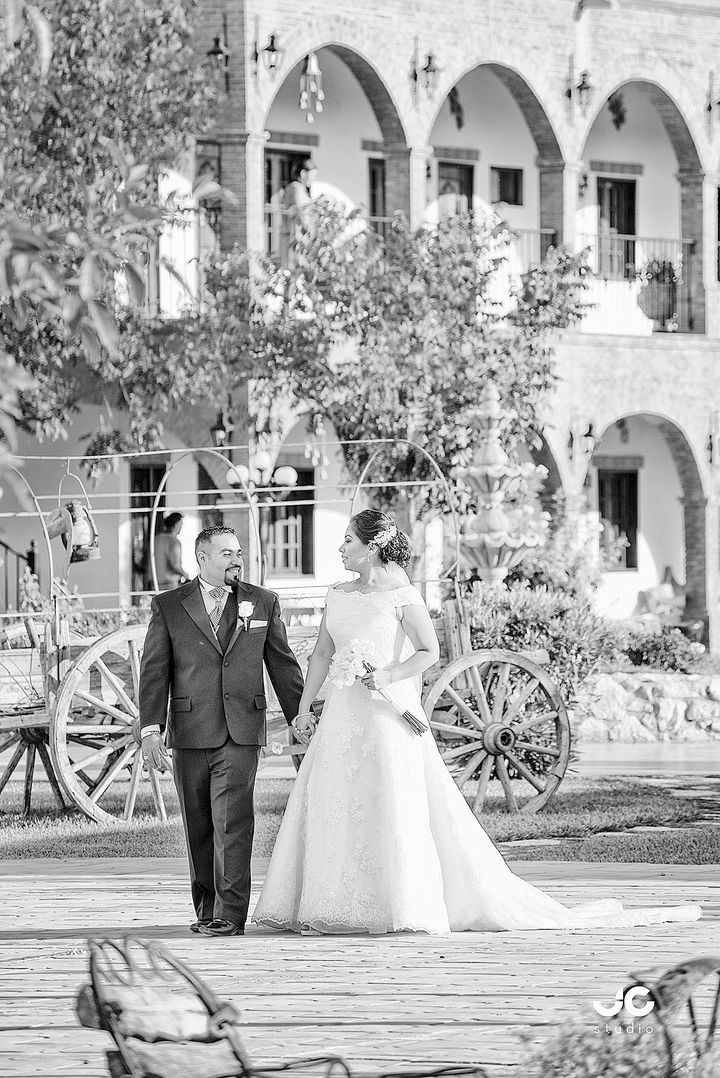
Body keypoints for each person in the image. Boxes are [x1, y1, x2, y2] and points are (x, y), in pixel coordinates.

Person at [253, 509, 702, 935]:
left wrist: (389, 674)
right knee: (336, 798)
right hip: (342, 714)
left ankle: (401, 903)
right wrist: (303, 709)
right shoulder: (337, 595)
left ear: (371, 547)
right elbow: (322, 655)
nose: (340, 548)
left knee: (389, 798)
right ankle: (329, 903)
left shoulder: (403, 596)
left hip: (387, 713)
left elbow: (428, 652)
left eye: (348, 540)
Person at [139, 525, 306, 937]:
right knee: (198, 825)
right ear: (203, 558)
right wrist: (149, 730)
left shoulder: (262, 602)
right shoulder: (169, 606)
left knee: (233, 822)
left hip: (241, 729)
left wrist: (302, 714)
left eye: (238, 551)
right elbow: (154, 672)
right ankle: (206, 909)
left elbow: (281, 664)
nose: (236, 559)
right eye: (226, 552)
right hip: (189, 729)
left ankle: (229, 916)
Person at [154, 513, 190, 592]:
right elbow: (175, 565)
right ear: (176, 524)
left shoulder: (156, 538)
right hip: (169, 583)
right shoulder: (174, 541)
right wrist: (185, 574)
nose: (181, 527)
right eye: (181, 524)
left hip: (154, 582)